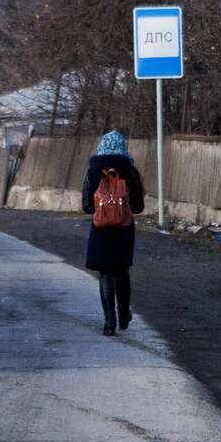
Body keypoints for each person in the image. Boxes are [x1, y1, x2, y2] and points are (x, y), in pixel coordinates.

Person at [81, 130, 146, 336]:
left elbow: (87, 207)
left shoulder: (93, 171)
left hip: (101, 229)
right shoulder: (131, 171)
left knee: (105, 273)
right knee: (121, 271)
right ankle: (124, 315)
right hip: (124, 229)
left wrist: (103, 207)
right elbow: (137, 207)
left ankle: (109, 322)